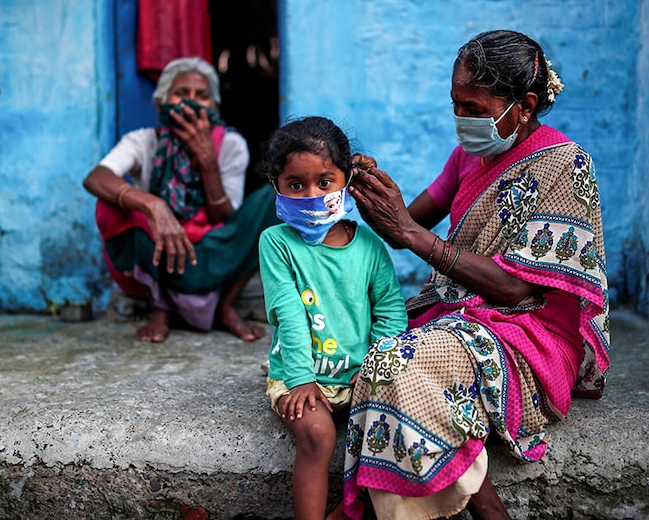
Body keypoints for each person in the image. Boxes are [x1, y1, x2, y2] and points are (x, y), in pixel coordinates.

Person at [342, 30, 610, 520]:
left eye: (473, 107)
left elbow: (516, 288)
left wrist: (410, 234)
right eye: (455, 105)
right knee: (356, 349)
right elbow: (409, 219)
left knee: (393, 365)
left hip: (529, 332)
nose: (460, 119)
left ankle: (486, 512)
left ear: (524, 106)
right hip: (458, 316)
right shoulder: (469, 155)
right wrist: (359, 187)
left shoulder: (564, 166)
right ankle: (482, 505)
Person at [257, 116, 408, 520]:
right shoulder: (276, 243)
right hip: (300, 374)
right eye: (296, 185)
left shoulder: (371, 247)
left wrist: (378, 362)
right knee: (318, 434)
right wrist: (300, 379)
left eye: (325, 182)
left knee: (401, 429)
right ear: (277, 187)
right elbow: (288, 314)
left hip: (362, 375)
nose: (310, 194)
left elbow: (391, 310)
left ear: (345, 182)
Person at [83, 57, 280, 343]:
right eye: (181, 94)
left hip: (215, 253)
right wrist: (153, 205)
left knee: (278, 200)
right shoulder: (143, 141)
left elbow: (227, 221)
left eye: (202, 96)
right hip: (160, 250)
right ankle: (159, 306)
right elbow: (96, 178)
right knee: (111, 203)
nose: (191, 103)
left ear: (213, 108)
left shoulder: (230, 144)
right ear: (161, 103)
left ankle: (226, 304)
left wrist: (208, 163)